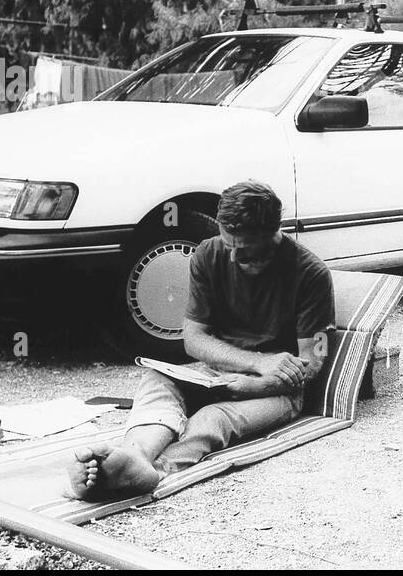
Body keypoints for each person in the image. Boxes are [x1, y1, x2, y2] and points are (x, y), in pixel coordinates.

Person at [65, 180, 334, 500]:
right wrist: (256, 363)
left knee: (214, 418)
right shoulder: (208, 253)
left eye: (247, 251)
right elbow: (194, 339)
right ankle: (134, 454)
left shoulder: (311, 273)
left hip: (276, 388)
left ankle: (151, 470)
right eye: (229, 244)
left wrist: (252, 385)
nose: (234, 258)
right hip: (219, 372)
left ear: (274, 232)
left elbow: (312, 362)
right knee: (156, 380)